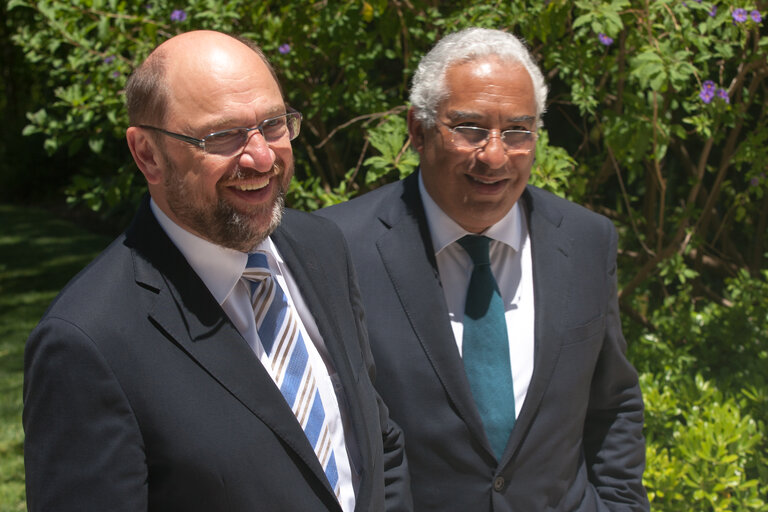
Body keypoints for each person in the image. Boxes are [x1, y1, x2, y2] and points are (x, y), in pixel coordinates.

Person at [23, 30, 411, 512]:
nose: (263, 157)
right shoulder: (88, 342)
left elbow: (378, 443)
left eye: (273, 124)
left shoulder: (322, 248)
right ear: (147, 154)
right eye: (222, 135)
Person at [317, 27, 648, 511]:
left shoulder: (585, 240)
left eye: (518, 131)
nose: (495, 156)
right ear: (417, 129)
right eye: (469, 128)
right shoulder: (336, 248)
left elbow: (612, 402)